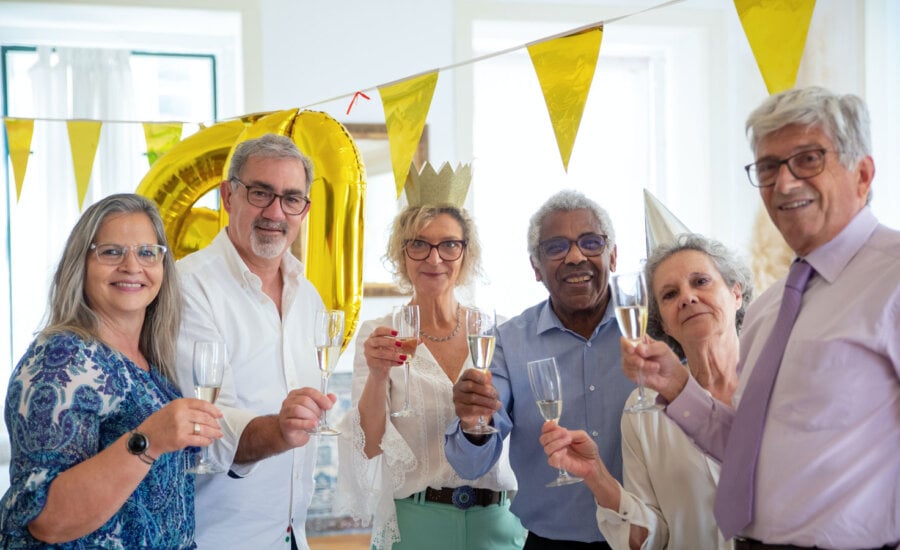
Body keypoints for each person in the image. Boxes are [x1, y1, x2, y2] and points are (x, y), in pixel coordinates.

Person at [624, 86, 900, 549]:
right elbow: (747, 451)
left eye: (808, 159)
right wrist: (677, 386)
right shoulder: (769, 309)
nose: (785, 183)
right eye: (769, 167)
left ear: (862, 174)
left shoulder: (892, 278)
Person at [0, 193, 222, 548]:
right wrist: (148, 440)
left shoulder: (151, 361)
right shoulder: (61, 358)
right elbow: (46, 520)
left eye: (147, 253)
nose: (132, 266)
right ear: (81, 264)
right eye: (111, 252)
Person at [445, 189, 637, 548]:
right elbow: (472, 465)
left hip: (651, 538)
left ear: (612, 256)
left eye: (590, 242)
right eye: (556, 247)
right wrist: (473, 424)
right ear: (536, 267)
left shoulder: (649, 329)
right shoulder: (506, 342)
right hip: (551, 542)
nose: (576, 257)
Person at [541, 233, 753, 550]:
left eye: (701, 281)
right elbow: (651, 538)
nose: (688, 297)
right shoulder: (642, 410)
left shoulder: (777, 381)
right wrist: (597, 476)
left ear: (736, 293)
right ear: (663, 324)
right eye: (670, 294)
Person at [175, 134, 334, 549]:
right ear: (228, 196)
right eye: (261, 193)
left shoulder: (309, 294)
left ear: (305, 210)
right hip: (218, 538)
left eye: (291, 199)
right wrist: (281, 432)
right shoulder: (189, 286)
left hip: (293, 534)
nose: (275, 212)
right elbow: (211, 426)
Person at [335, 204, 526, 549]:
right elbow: (371, 444)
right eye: (419, 245)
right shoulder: (379, 334)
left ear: (466, 253)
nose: (434, 259)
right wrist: (378, 376)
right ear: (402, 254)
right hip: (417, 525)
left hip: (497, 524)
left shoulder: (499, 332)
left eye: (449, 245)